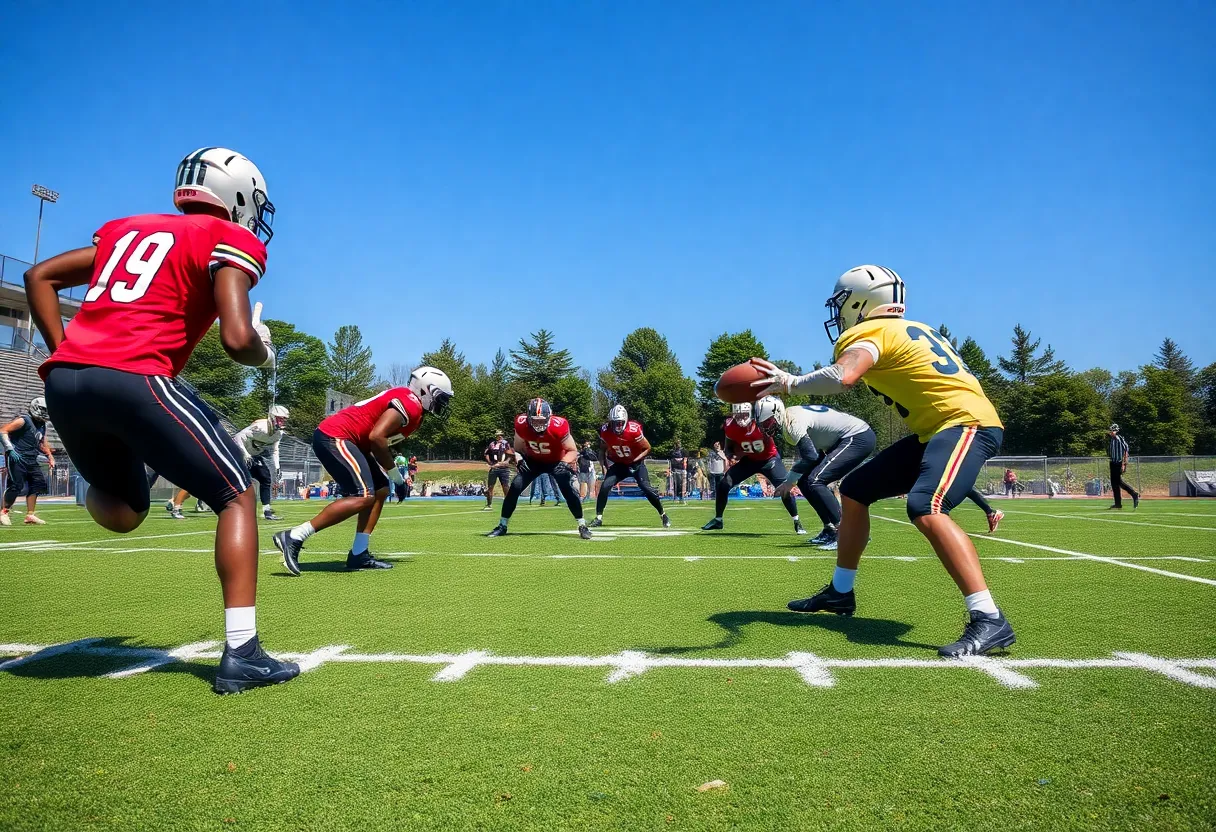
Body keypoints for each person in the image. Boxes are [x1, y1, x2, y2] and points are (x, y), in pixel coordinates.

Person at [25, 146, 298, 693]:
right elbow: (237, 338)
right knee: (236, 493)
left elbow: (39, 277)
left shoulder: (127, 228)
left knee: (126, 512)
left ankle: (115, 457)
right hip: (136, 377)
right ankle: (243, 651)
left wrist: (68, 354)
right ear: (238, 196)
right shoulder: (231, 238)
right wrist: (264, 352)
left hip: (67, 381)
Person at [753, 263, 1013, 657]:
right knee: (855, 490)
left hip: (963, 424)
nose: (839, 313)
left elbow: (846, 375)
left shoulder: (867, 331)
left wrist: (790, 382)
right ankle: (841, 593)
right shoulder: (917, 328)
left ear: (860, 301)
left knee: (926, 505)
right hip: (938, 429)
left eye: (842, 303)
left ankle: (989, 618)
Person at [273, 368, 453, 574]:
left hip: (350, 441)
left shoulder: (415, 409)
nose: (443, 404)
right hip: (336, 436)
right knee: (364, 495)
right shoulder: (410, 403)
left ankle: (359, 553)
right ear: (425, 390)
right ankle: (294, 536)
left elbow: (376, 441)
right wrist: (398, 478)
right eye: (441, 397)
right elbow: (377, 438)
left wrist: (393, 478)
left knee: (380, 488)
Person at [757, 398, 875, 551]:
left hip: (857, 436)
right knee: (805, 481)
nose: (765, 428)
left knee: (815, 480)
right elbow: (812, 455)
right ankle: (830, 529)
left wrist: (788, 481)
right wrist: (793, 480)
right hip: (841, 440)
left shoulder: (792, 423)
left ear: (777, 413)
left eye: (767, 423)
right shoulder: (791, 417)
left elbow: (810, 457)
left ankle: (847, 533)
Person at [486, 398, 590, 538]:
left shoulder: (559, 426)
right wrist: (520, 459)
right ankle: (502, 525)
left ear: (549, 417)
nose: (538, 424)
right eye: (535, 420)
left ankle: (582, 526)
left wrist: (564, 463)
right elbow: (518, 448)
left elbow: (572, 450)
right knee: (515, 487)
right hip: (533, 461)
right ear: (528, 418)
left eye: (541, 420)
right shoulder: (521, 424)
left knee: (568, 491)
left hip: (556, 462)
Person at [701, 401, 805, 535]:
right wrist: (731, 456)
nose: (741, 418)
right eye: (737, 415)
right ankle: (718, 519)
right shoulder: (731, 426)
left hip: (769, 460)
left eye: (744, 414)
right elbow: (729, 448)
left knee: (785, 490)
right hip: (749, 461)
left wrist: (740, 453)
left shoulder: (762, 424)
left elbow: (760, 448)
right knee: (724, 484)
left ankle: (797, 521)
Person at [590, 404, 669, 528]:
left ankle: (663, 515)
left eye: (620, 423)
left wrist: (635, 461)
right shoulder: (605, 431)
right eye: (615, 423)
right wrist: (603, 465)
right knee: (605, 487)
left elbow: (647, 448)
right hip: (619, 465)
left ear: (625, 421)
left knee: (647, 489)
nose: (618, 426)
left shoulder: (634, 429)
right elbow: (602, 450)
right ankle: (598, 518)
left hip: (636, 465)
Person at [0, 397, 55, 526]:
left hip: (31, 458)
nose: (45, 413)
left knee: (37, 484)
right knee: (16, 485)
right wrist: (10, 449)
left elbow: (41, 442)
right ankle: (3, 512)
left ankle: (30, 515)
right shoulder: (23, 420)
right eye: (43, 409)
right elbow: (3, 431)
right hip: (17, 457)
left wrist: (50, 456)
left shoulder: (41, 425)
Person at [234, 405, 289, 521]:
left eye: (284, 419)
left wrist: (277, 467)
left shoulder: (279, 433)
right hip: (238, 452)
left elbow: (274, 450)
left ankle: (266, 511)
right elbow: (238, 437)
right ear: (273, 417)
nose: (282, 421)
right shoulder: (260, 427)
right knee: (237, 481)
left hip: (253, 455)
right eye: (280, 418)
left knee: (265, 478)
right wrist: (245, 454)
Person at [1107, 423, 1139, 510]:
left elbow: (1126, 451)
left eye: (1112, 431)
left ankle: (1134, 494)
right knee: (1114, 484)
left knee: (1118, 482)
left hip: (1118, 463)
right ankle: (1118, 503)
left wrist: (1124, 464)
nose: (1111, 433)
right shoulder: (1112, 440)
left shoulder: (1119, 438)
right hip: (1113, 463)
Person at [483, 429, 512, 510]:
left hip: (504, 468)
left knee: (505, 487)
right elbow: (486, 453)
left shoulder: (506, 443)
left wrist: (507, 461)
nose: (499, 436)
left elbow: (510, 454)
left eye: (501, 435)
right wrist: (489, 462)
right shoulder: (492, 444)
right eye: (498, 435)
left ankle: (508, 504)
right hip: (494, 467)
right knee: (490, 487)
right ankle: (489, 504)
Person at [669, 438, 687, 505]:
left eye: (679, 443)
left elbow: (685, 459)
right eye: (676, 443)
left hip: (682, 470)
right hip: (675, 470)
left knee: (682, 485)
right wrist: (670, 469)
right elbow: (671, 461)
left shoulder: (683, 451)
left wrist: (685, 468)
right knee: (675, 484)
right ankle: (676, 497)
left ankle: (682, 498)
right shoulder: (672, 452)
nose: (678, 444)